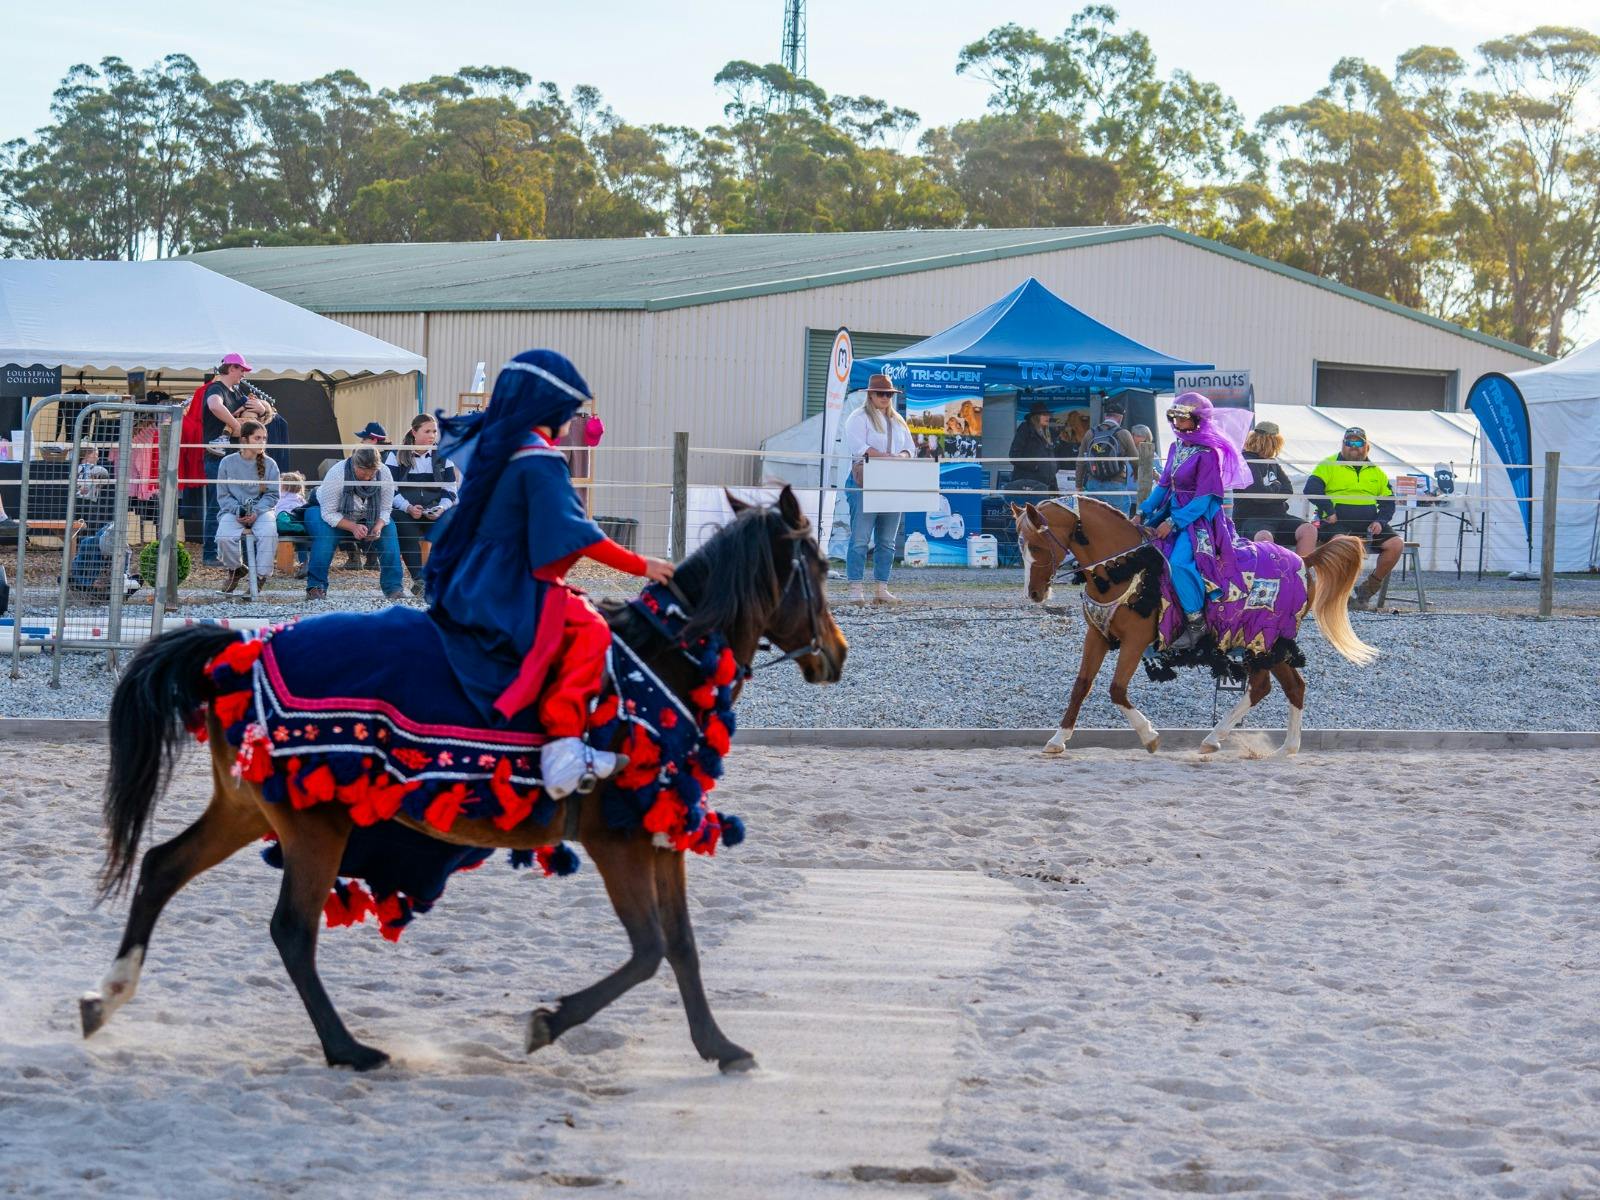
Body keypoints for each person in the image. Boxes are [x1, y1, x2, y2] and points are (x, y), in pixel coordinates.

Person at [426, 349, 675, 798]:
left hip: (473, 577)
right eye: (571, 410)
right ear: (551, 407)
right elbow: (578, 535)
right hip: (508, 584)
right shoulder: (540, 459)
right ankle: (562, 749)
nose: (574, 419)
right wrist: (645, 566)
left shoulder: (499, 445)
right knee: (591, 628)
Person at [1136, 392, 1252, 652]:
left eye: (1182, 418)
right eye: (1173, 417)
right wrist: (1142, 512)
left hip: (1198, 521)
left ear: (1198, 420)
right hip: (1171, 511)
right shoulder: (1177, 446)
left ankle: (1196, 624)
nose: (1176, 423)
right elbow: (1164, 485)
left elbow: (1204, 500)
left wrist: (1174, 523)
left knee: (1178, 563)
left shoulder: (1208, 453)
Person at [1295, 426, 1402, 608]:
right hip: (1336, 523)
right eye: (1349, 442)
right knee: (1342, 544)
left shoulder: (1376, 472)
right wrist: (1329, 510)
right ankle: (1340, 595)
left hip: (1368, 523)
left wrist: (1380, 521)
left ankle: (1367, 589)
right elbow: (1311, 489)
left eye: (1358, 442)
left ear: (1367, 447)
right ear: (1342, 445)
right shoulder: (1328, 464)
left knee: (1396, 544)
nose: (1354, 446)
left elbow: (1388, 502)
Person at [843, 374, 914, 603]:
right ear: (871, 395)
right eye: (881, 394)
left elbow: (909, 448)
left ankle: (881, 588)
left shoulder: (899, 421)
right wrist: (888, 457)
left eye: (889, 394)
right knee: (861, 537)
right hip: (865, 481)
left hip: (892, 481)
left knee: (887, 540)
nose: (885, 398)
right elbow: (859, 446)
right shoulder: (858, 417)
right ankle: (856, 587)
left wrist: (900, 457)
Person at [306, 446, 401, 601]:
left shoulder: (384, 473)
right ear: (355, 465)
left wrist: (378, 526)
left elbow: (385, 508)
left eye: (372, 473)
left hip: (368, 514)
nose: (368, 477)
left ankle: (394, 589)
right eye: (363, 472)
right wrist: (353, 527)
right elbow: (328, 513)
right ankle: (316, 587)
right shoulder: (337, 473)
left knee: (389, 532)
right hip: (327, 510)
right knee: (325, 536)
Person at [385, 414, 460, 598]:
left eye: (434, 431)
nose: (432, 435)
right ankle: (420, 580)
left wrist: (441, 508)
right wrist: (407, 507)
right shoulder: (395, 456)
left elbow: (450, 491)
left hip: (434, 509)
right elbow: (389, 490)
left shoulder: (444, 456)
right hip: (405, 509)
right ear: (414, 432)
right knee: (404, 526)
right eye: (427, 431)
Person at [215, 420, 281, 593]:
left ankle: (259, 578)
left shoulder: (270, 464)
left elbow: (273, 494)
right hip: (233, 511)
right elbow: (223, 495)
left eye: (264, 438)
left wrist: (257, 512)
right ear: (244, 440)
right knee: (224, 537)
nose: (262, 442)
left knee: (268, 533)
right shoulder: (227, 463)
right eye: (257, 438)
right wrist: (238, 510)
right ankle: (236, 569)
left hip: (262, 511)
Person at [199, 353, 253, 565]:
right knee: (217, 504)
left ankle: (225, 553)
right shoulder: (216, 389)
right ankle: (210, 554)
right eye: (241, 370)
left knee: (231, 503)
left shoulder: (235, 391)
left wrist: (261, 408)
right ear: (232, 368)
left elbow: (255, 406)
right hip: (217, 458)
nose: (243, 374)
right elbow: (214, 405)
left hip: (231, 457)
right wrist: (237, 425)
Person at [1234, 421, 1297, 545]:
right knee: (1264, 536)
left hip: (1278, 516)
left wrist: (1268, 495)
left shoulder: (1272, 462)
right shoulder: (1247, 462)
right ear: (1270, 443)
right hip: (1251, 519)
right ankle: (1268, 564)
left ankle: (1299, 565)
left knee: (1309, 530)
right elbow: (1260, 496)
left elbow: (1288, 490)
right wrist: (1276, 486)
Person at [1074, 396, 1139, 512]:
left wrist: (1078, 485)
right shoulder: (1124, 434)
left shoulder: (1090, 433)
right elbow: (1135, 459)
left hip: (1093, 483)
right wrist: (1136, 474)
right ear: (1120, 418)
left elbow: (1080, 461)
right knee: (1119, 522)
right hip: (1116, 484)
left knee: (1095, 520)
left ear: (1105, 416)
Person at [1008, 400, 1059, 491]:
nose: (1048, 417)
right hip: (1028, 484)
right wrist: (1036, 466)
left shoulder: (1048, 432)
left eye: (1048, 414)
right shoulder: (1025, 429)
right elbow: (1014, 456)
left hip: (1045, 484)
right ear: (1036, 416)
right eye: (1044, 414)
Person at [1130, 423, 1157, 503]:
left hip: (1145, 497)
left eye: (1142, 436)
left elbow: (1160, 476)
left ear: (1147, 437)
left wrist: (1155, 474)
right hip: (1127, 498)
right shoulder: (1126, 453)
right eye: (1137, 435)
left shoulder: (1153, 455)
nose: (1139, 438)